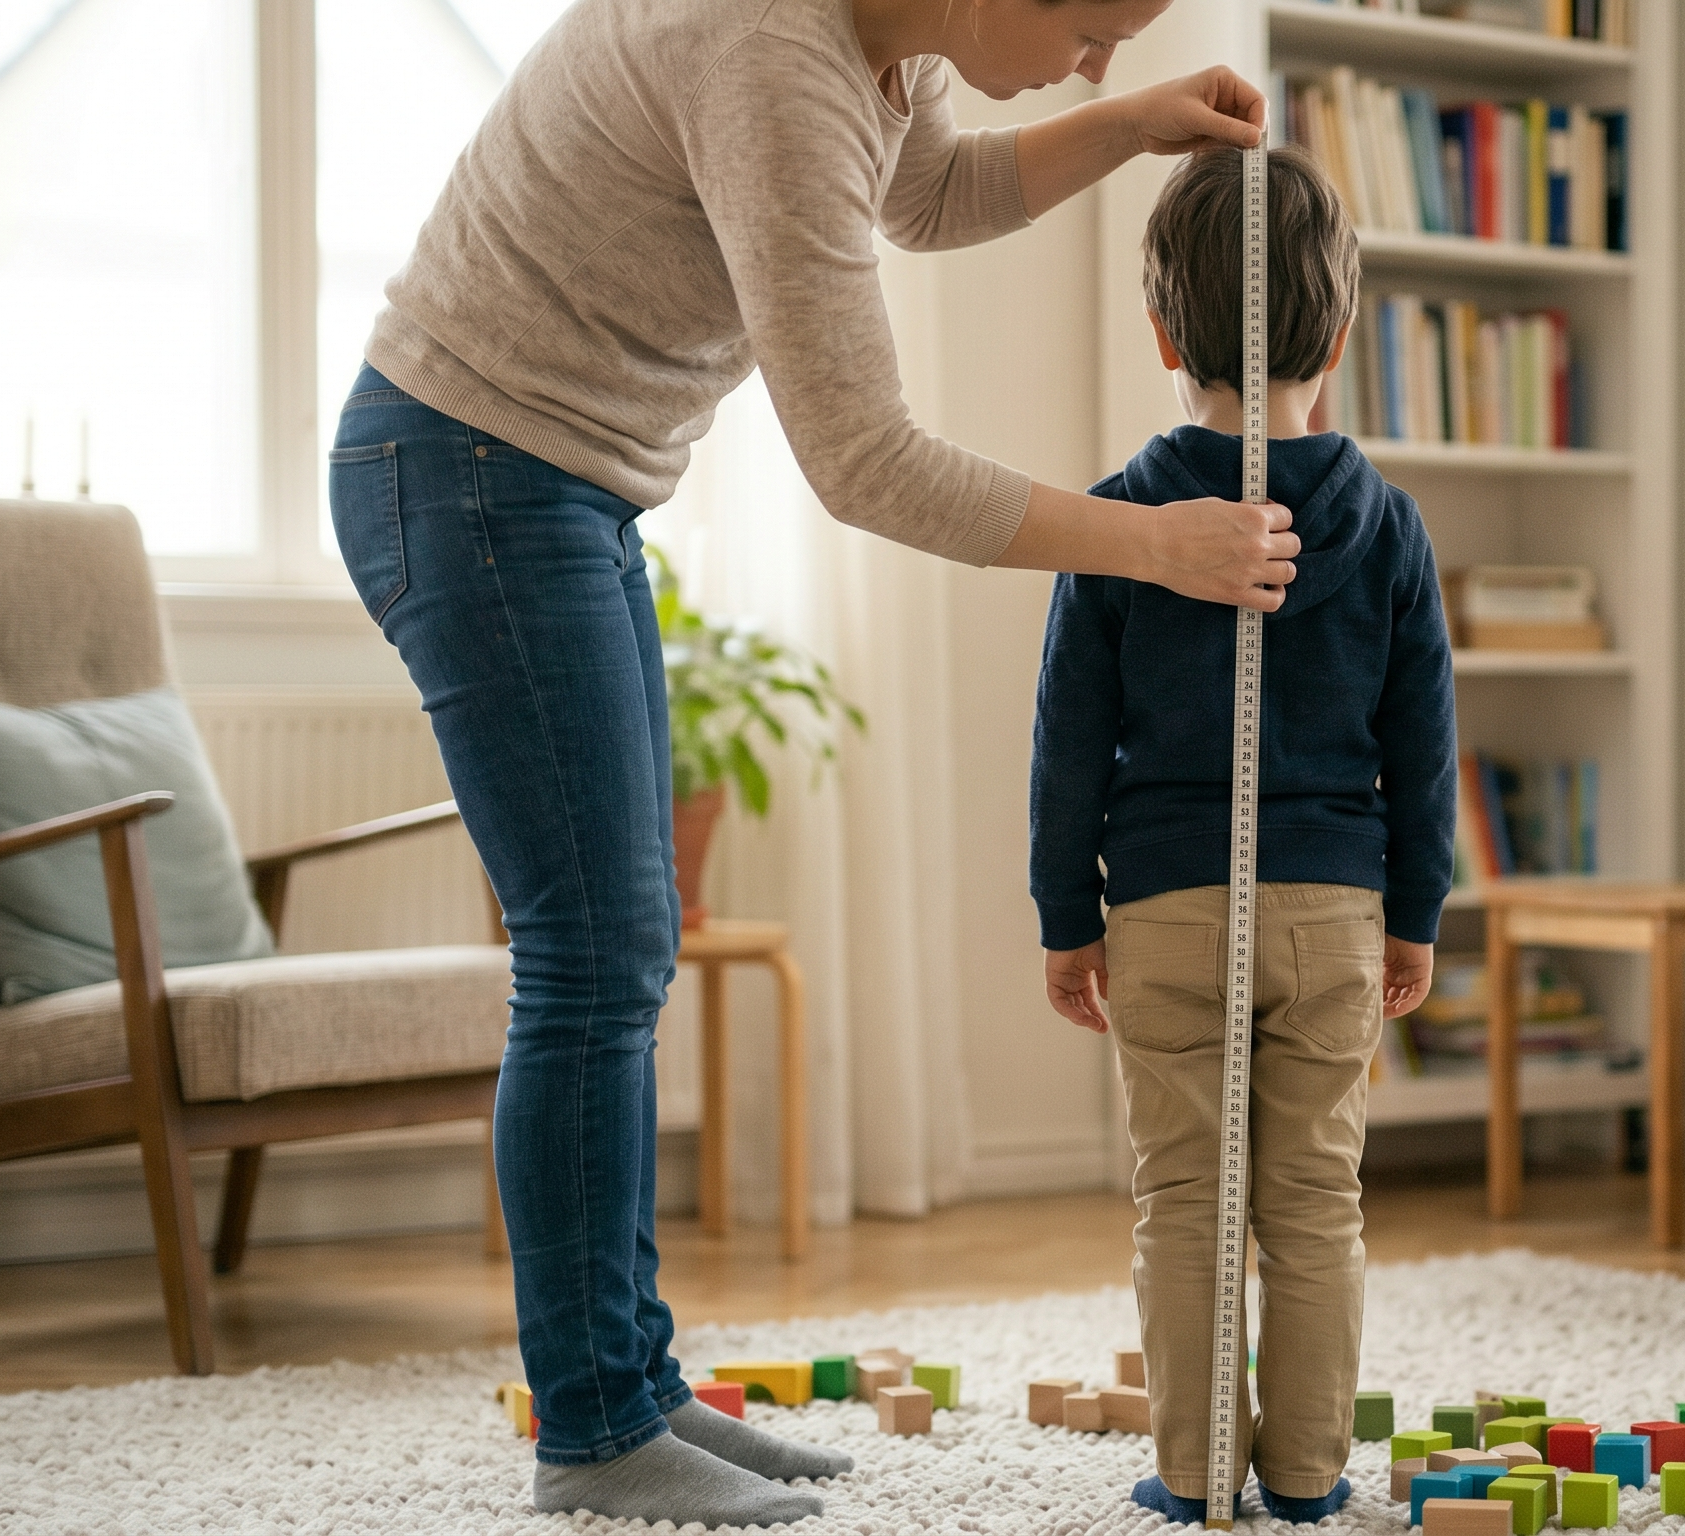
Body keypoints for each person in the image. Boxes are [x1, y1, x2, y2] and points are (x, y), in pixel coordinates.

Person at [328, 0, 1291, 1526]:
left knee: (616, 953)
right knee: (594, 958)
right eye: (1096, 31)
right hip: (470, 467)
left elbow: (920, 194)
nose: (1097, 60)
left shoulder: (886, 43)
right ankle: (593, 1434)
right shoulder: (770, 53)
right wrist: (1148, 547)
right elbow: (865, 463)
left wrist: (1134, 121)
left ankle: (633, 1395)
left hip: (554, 483)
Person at [1027, 145, 1457, 1525]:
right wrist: (1415, 916)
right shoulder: (1389, 529)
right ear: (1337, 336)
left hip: (1160, 913)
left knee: (1184, 1201)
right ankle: (1311, 1477)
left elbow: (1066, 743)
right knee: (1316, 1201)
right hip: (1332, 911)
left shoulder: (1114, 522)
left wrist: (1063, 918)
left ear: (1161, 334)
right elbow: (1424, 748)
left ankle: (1197, 1467)